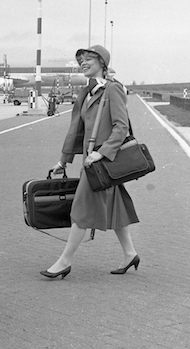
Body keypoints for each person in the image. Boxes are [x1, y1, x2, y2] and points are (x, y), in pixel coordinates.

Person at [40, 44, 140, 279]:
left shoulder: (113, 90)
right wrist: (63, 161)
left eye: (88, 60)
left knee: (81, 209)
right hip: (93, 161)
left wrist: (102, 152)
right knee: (116, 206)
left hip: (102, 161)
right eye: (81, 61)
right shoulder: (86, 93)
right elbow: (76, 130)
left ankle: (64, 261)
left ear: (102, 64)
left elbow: (121, 126)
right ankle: (130, 253)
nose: (83, 63)